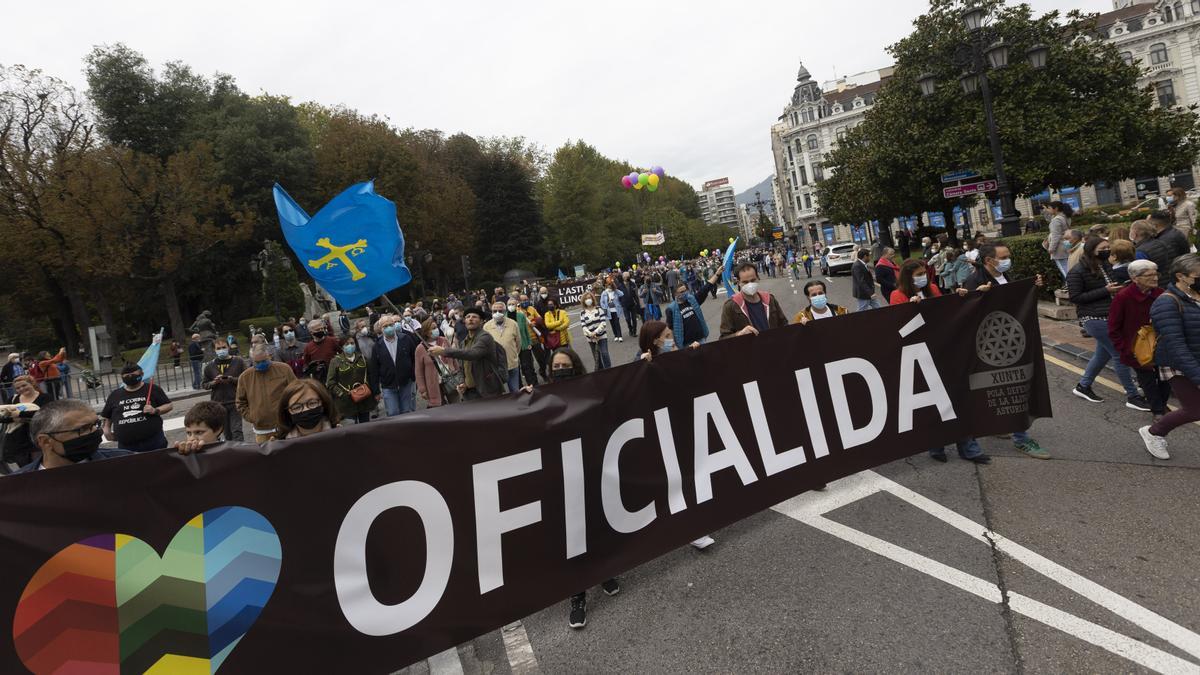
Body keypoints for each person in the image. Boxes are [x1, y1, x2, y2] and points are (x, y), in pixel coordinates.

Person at [963, 243, 1053, 460]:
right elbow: (967, 309)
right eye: (1003, 257)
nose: (1007, 260)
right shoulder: (974, 281)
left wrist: (1033, 287)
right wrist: (977, 296)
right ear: (988, 261)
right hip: (992, 347)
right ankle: (1011, 433)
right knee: (996, 389)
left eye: (1008, 256)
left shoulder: (1006, 276)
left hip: (1014, 342)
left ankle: (1019, 435)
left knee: (1017, 388)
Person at [1067, 236, 1148, 410]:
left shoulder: (1105, 266)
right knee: (1120, 353)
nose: (1107, 251)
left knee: (1102, 355)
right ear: (1091, 250)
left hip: (1111, 315)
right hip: (1093, 318)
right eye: (1102, 248)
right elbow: (1075, 297)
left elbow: (1112, 286)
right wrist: (1105, 290)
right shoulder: (1077, 272)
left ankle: (1083, 386)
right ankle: (1132, 395)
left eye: (1107, 247)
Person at [1139, 254, 1200, 459]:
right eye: (1197, 275)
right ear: (1181, 276)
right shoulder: (1166, 303)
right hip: (1180, 364)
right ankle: (1153, 432)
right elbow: (1176, 346)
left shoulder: (1195, 296)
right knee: (1194, 410)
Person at [1109, 260, 1171, 421]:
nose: (1155, 278)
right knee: (1148, 380)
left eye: (1156, 273)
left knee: (1166, 377)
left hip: (1161, 344)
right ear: (1135, 278)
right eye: (1149, 275)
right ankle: (1158, 410)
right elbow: (1113, 327)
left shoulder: (1161, 294)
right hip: (1136, 347)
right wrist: (1125, 349)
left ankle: (1162, 404)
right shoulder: (1123, 297)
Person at [15, 399, 131, 472]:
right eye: (83, 428)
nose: (95, 431)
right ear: (45, 441)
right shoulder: (18, 487)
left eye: (96, 424)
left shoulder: (128, 463)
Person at [430, 307, 505, 400]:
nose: (470, 319)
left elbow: (472, 354)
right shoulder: (464, 342)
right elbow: (462, 366)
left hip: (487, 390)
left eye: (474, 317)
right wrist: (463, 383)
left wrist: (444, 351)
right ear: (464, 322)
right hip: (470, 392)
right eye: (468, 317)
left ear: (481, 321)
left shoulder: (485, 337)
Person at [100, 363, 173, 453]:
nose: (130, 377)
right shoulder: (115, 395)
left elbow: (169, 405)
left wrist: (155, 410)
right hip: (126, 446)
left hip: (153, 442)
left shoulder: (152, 388)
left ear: (141, 374)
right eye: (127, 376)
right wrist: (106, 430)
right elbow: (107, 415)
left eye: (133, 375)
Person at [235, 343, 298, 443]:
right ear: (252, 360)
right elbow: (240, 402)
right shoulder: (245, 377)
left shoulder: (284, 369)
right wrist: (253, 417)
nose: (260, 364)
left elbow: (297, 391)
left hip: (286, 425)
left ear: (269, 356)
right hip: (262, 431)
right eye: (257, 362)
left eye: (263, 361)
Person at [719, 262, 789, 338]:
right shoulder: (730, 306)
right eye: (745, 282)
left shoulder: (770, 299)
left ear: (758, 278)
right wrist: (739, 334)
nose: (750, 284)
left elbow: (784, 324)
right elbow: (724, 337)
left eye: (753, 280)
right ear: (738, 282)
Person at [370, 316, 421, 416]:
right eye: (385, 326)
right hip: (388, 386)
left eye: (390, 325)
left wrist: (413, 376)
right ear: (381, 328)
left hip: (406, 383)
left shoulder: (405, 339)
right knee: (393, 413)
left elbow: (415, 358)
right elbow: (374, 370)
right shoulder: (377, 346)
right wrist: (376, 390)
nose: (389, 327)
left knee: (407, 412)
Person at [0, 375, 50, 470]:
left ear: (32, 384)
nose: (21, 389)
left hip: (38, 438)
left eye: (24, 385)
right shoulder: (12, 399)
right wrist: (15, 419)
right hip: (18, 441)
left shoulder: (44, 397)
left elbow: (46, 413)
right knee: (26, 469)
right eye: (18, 388)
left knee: (40, 466)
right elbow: (2, 417)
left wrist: (19, 413)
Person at [201, 338, 247, 441]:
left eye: (223, 347)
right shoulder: (209, 366)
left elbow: (246, 378)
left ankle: (241, 452)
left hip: (235, 401)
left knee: (237, 430)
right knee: (227, 433)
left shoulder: (238, 361)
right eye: (218, 348)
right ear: (214, 350)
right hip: (219, 403)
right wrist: (214, 382)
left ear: (228, 347)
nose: (221, 350)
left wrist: (231, 379)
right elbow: (204, 384)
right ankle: (230, 453)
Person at [326, 335, 374, 424]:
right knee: (352, 429)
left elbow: (371, 375)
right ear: (342, 346)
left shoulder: (362, 358)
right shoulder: (335, 361)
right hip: (346, 403)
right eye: (347, 344)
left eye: (352, 343)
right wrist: (342, 394)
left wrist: (371, 388)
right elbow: (330, 383)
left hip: (364, 399)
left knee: (366, 426)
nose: (350, 346)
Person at [664, 271, 719, 349]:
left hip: (701, 339)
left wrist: (717, 274)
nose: (685, 293)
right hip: (686, 345)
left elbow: (705, 288)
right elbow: (669, 329)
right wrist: (669, 348)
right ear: (676, 294)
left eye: (685, 290)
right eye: (682, 292)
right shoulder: (671, 309)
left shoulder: (692, 300)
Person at [273, 379, 340, 440]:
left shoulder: (343, 433)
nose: (305, 410)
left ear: (323, 403)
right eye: (297, 407)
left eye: (312, 403)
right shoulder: (280, 446)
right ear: (288, 412)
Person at [415, 318, 458, 407]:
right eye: (433, 328)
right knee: (439, 407)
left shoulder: (444, 340)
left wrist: (458, 374)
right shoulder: (420, 348)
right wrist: (422, 389)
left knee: (456, 405)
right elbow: (419, 371)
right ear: (426, 332)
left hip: (450, 379)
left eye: (436, 327)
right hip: (434, 383)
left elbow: (453, 358)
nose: (436, 330)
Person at [890, 258, 968, 306]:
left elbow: (943, 305)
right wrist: (909, 307)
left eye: (924, 273)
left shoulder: (933, 288)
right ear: (908, 277)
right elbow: (899, 319)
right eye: (919, 274)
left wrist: (957, 296)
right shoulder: (897, 295)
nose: (924, 276)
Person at [485, 300, 523, 391]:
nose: (497, 313)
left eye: (500, 311)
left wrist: (513, 355)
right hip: (495, 367)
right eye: (494, 311)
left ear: (505, 312)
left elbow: (518, 343)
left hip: (512, 364)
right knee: (498, 394)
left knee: (515, 391)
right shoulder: (486, 326)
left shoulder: (513, 324)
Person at [1131, 219, 1175, 288]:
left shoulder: (1140, 252)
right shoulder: (1162, 243)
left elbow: (1141, 274)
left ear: (1134, 233)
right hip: (1170, 281)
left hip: (1155, 285)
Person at [579, 292, 612, 371]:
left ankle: (609, 370)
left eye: (589, 298)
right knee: (596, 356)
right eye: (586, 298)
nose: (588, 300)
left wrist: (596, 332)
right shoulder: (582, 313)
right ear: (583, 301)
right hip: (591, 338)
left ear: (592, 299)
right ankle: (601, 371)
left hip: (602, 336)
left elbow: (603, 323)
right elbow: (584, 326)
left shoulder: (599, 309)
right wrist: (591, 334)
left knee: (604, 353)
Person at [1044, 201, 1073, 278]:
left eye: (1049, 208)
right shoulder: (1066, 216)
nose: (1048, 210)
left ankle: (1072, 286)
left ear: (1056, 208)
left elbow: (1055, 236)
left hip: (1059, 249)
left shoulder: (1056, 220)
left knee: (1065, 271)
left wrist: (1051, 249)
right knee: (1069, 269)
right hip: (1066, 246)